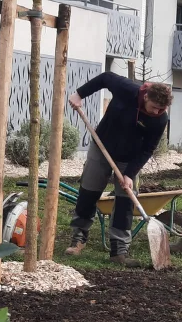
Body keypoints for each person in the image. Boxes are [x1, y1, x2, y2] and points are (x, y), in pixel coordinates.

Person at [66, 72, 172, 267]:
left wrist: (129, 174)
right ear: (146, 97)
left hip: (129, 158)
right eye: (154, 107)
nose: (157, 112)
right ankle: (78, 238)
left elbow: (148, 149)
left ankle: (119, 250)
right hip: (102, 146)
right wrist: (79, 94)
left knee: (125, 200)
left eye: (161, 109)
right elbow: (105, 77)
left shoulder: (160, 119)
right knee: (89, 191)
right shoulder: (126, 89)